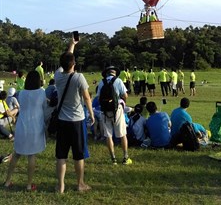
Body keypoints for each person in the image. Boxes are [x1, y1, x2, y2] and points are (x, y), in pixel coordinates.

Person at [54, 37, 94, 193]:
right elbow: (86, 98)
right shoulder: (79, 77)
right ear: (74, 64)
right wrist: (91, 114)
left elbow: (66, 59)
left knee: (61, 155)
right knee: (78, 155)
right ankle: (80, 184)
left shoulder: (57, 76)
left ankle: (61, 185)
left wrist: (72, 45)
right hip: (77, 121)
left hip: (62, 121)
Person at [4, 70, 47, 191]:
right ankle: (29, 184)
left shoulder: (21, 93)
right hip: (35, 126)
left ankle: (7, 181)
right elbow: (44, 108)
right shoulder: (41, 93)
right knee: (31, 155)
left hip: (22, 125)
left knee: (16, 153)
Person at [97, 65, 132, 165]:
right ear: (115, 73)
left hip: (104, 110)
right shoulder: (118, 81)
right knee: (122, 134)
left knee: (108, 135)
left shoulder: (101, 82)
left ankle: (113, 159)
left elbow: (99, 97)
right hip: (117, 109)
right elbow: (125, 95)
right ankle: (125, 157)